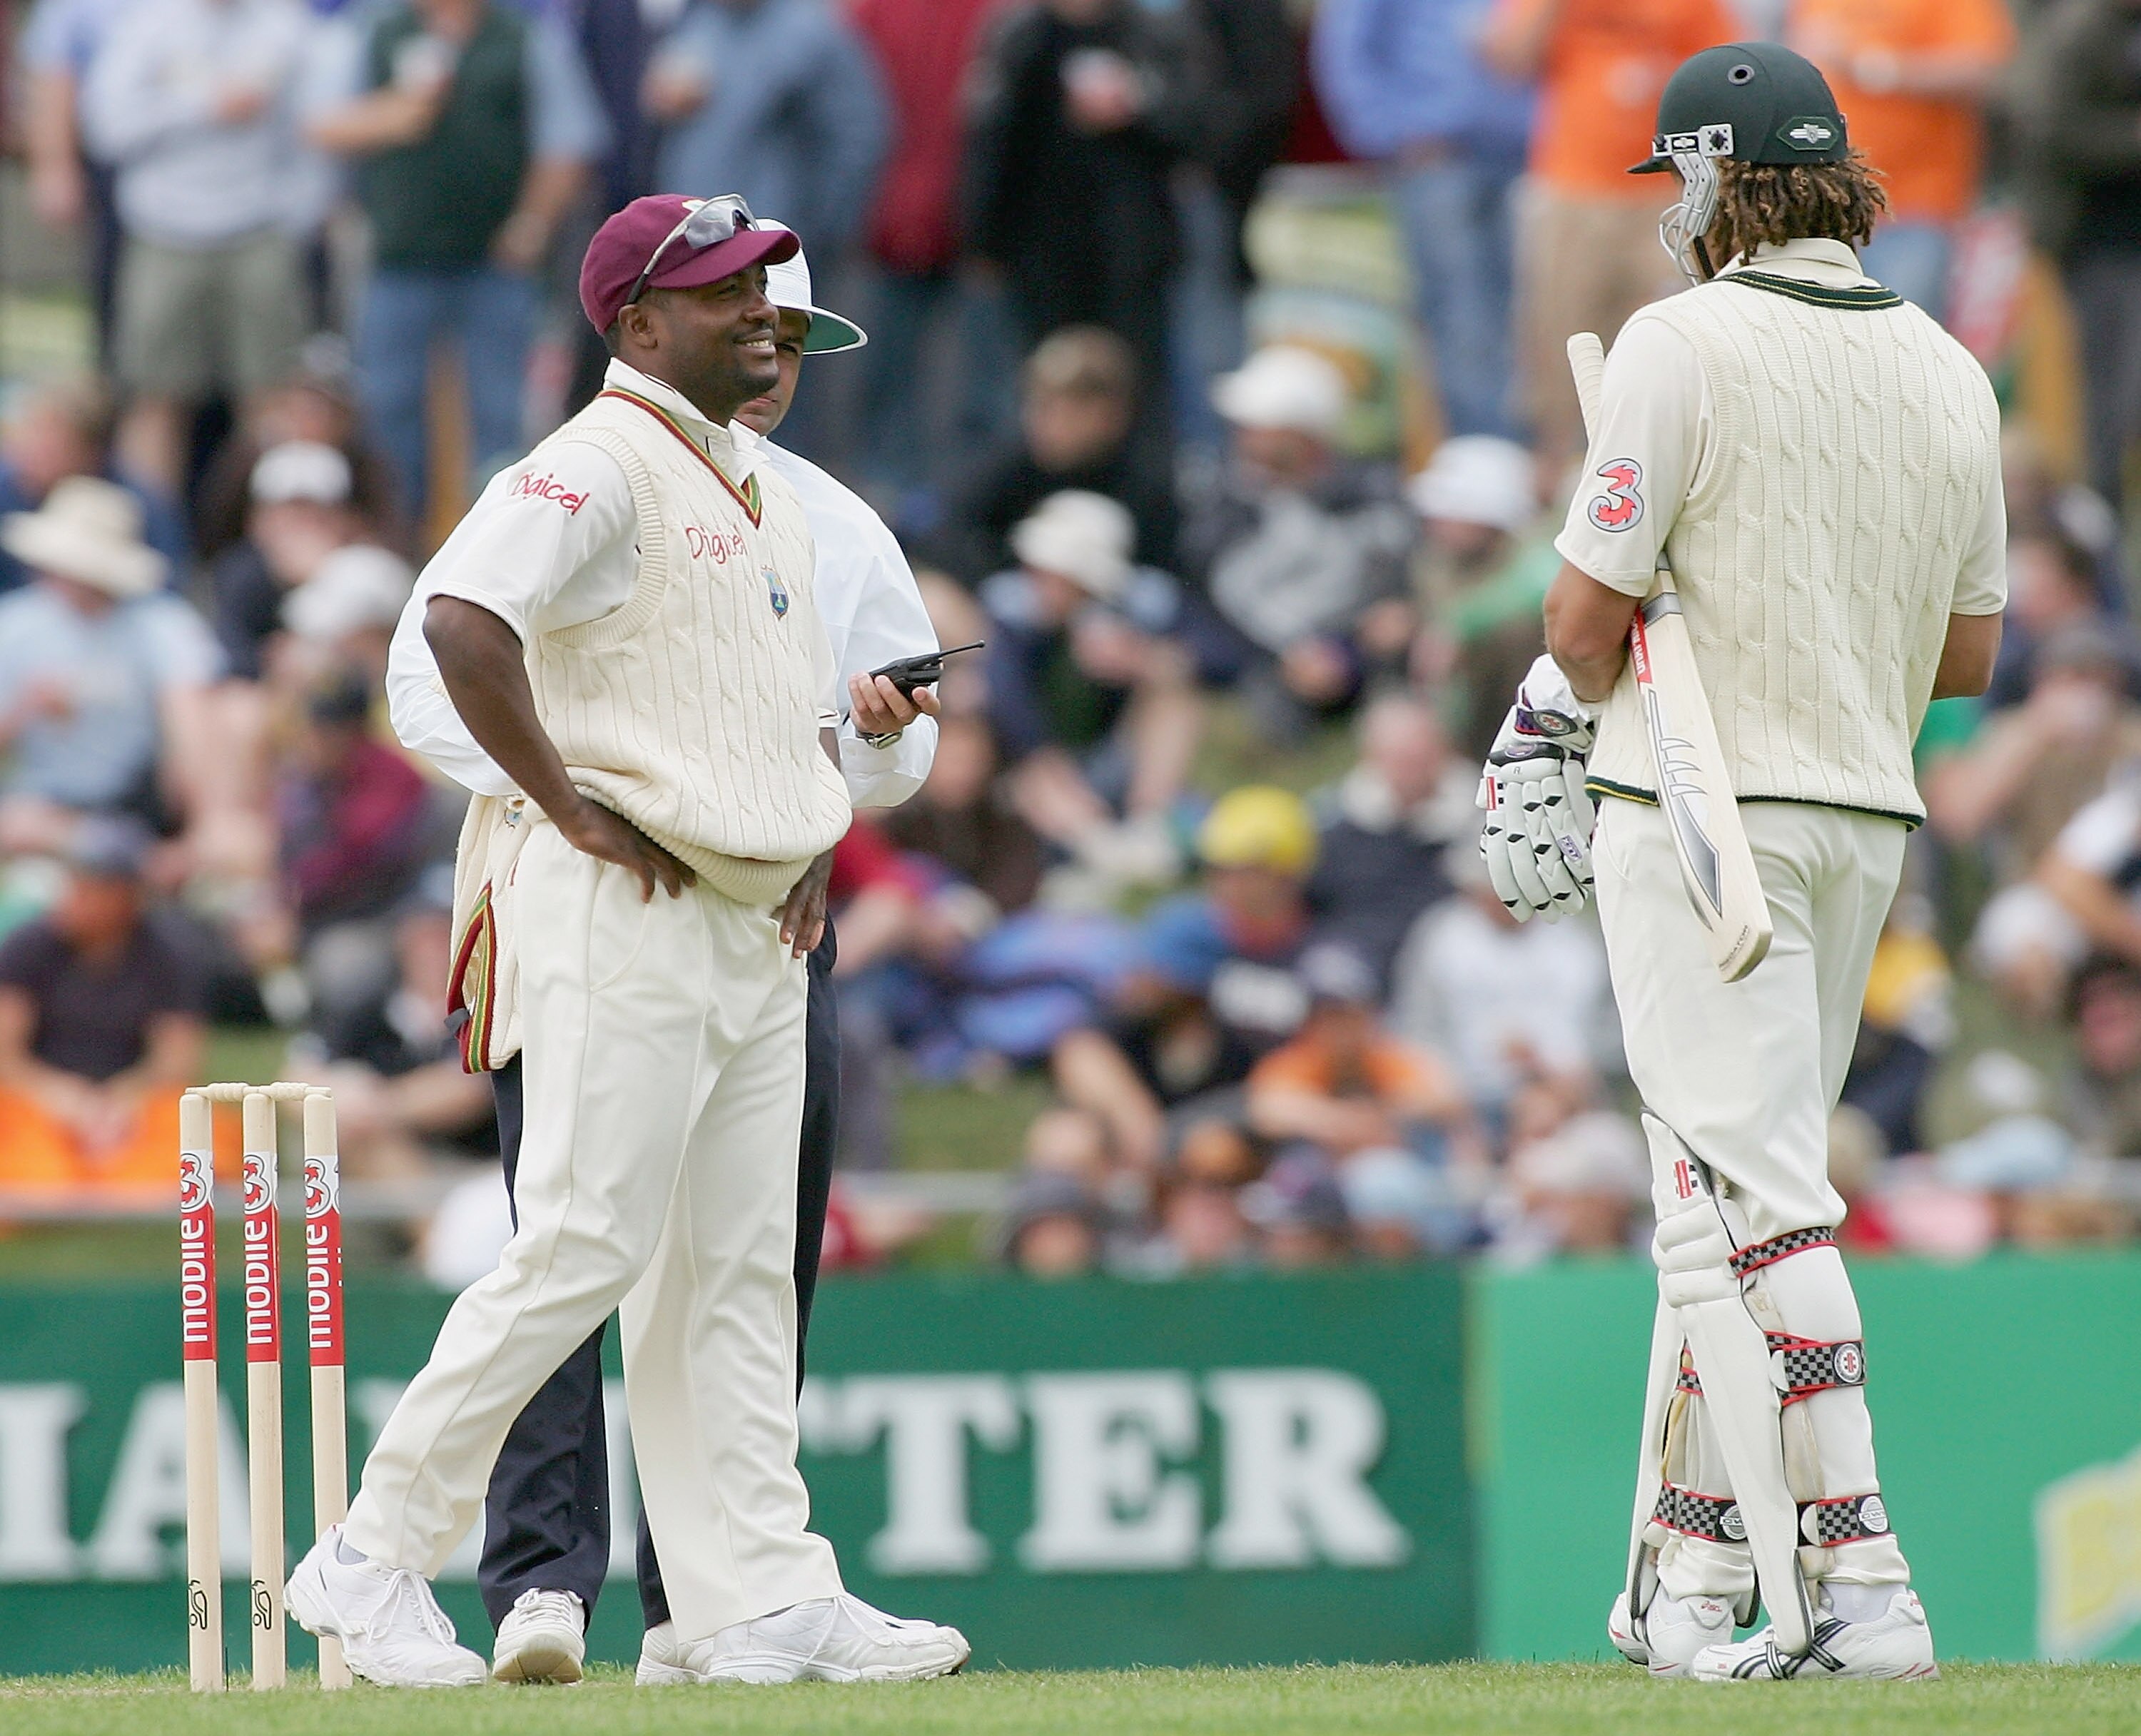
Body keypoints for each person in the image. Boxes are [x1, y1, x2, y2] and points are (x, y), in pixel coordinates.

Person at [1477, 45, 2005, 1680]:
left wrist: (1562, 695)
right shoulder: (1946, 361)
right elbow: (1969, 655)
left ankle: (1863, 1582)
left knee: (1754, 1200)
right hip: (1863, 813)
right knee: (1717, 1208)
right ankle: (1692, 1581)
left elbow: (1580, 619)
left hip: (1698, 809)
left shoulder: (1678, 339)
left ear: (1712, 177)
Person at [377, 206, 948, 1686]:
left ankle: (740, 1597)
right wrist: (579, 804)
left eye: (782, 315)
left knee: (738, 1272)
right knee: (582, 1242)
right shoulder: (591, 463)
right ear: (640, 325)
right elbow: (446, 647)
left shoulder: (802, 509)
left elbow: (837, 740)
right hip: (612, 894)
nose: (769, 337)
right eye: (732, 303)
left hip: (763, 912)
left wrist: (827, 798)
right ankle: (414, 1565)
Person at [305, 0, 608, 522]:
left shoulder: (526, 39)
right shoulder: (371, 31)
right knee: (388, 411)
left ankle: (501, 537)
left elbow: (569, 142)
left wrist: (532, 223)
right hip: (398, 260)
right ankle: (395, 537)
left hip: (495, 264)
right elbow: (321, 124)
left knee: (502, 415)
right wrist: (392, 114)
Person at [1480, 0, 1736, 469]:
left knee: (1666, 338)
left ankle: (1658, 470)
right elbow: (1508, 60)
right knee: (1560, 340)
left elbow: (1725, 81)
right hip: (1573, 191)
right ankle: (1557, 476)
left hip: (1665, 192)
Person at [77, 0, 318, 499]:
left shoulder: (285, 25)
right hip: (163, 232)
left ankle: (268, 530)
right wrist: (203, 106)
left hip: (259, 230)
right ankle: (152, 531)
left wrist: (296, 214)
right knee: (156, 398)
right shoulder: (146, 24)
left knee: (271, 396)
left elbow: (313, 128)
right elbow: (107, 129)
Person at [961, 0, 1206, 402]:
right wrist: (983, 240)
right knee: (1040, 379)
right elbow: (993, 144)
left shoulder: (1151, 36)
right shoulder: (1024, 37)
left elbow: (1194, 130)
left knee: (1132, 385)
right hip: (1041, 252)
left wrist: (1135, 108)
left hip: (1130, 253)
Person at [1310, 0, 1534, 440]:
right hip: (1437, 157)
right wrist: (1388, 132)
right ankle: (1482, 452)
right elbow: (1347, 45)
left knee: (1537, 319)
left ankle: (1530, 456)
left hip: (1530, 157)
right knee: (1461, 316)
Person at [1185, 344, 1414, 736]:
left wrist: (1357, 647)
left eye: (1258, 426)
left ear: (1302, 435)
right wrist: (1283, 655)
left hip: (1354, 670)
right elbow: (1205, 596)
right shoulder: (1225, 500)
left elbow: (1396, 594)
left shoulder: (1372, 497)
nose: (1242, 436)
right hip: (1249, 666)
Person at [0, 477, 224, 861]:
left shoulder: (161, 625)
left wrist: (197, 816)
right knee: (20, 825)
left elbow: (191, 718)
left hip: (136, 801)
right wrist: (25, 709)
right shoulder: (15, 625)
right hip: (40, 803)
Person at [982, 490, 1202, 866]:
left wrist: (1143, 659)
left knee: (1175, 696)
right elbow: (1004, 696)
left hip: (1119, 757)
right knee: (1025, 764)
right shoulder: (1014, 618)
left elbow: (1221, 657)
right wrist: (1051, 765)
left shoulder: (1136, 607)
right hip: (1049, 778)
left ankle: (1151, 822)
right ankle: (1103, 851)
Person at [0, 817, 206, 1202]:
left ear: (126, 897)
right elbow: (6, 1055)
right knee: (30, 1161)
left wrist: (123, 1101)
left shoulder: (168, 954)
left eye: (90, 888)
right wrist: (59, 1095)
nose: (73, 897)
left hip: (132, 1104)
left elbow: (177, 1060)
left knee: (196, 1136)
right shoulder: (28, 947)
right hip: (41, 1098)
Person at [1785, 0, 2014, 323]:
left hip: (1914, 206)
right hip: (1826, 205)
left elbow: (1979, 67)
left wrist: (1876, 68)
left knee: (1901, 330)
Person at [644, 1, 890, 277]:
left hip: (773, 248)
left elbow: (858, 136)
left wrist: (819, 232)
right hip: (694, 241)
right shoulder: (703, 21)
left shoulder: (812, 32)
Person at [939, 325, 1180, 583]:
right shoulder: (1013, 471)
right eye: (1035, 405)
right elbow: (944, 530)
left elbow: (1167, 575)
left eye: (1057, 410)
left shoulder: (1146, 486)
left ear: (1107, 414)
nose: (1037, 422)